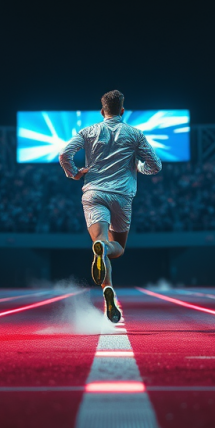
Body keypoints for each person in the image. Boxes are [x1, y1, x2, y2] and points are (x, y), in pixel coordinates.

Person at [59, 90, 162, 323]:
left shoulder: (88, 131)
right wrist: (137, 166)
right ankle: (108, 278)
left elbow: (64, 154)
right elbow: (155, 165)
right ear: (122, 111)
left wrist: (74, 174)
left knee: (100, 242)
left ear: (102, 111)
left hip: (94, 194)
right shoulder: (135, 134)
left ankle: (109, 289)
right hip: (122, 196)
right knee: (117, 248)